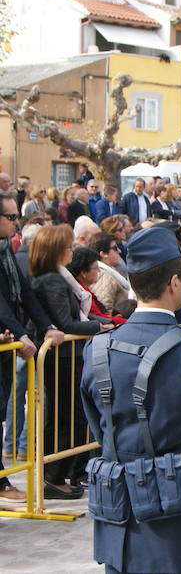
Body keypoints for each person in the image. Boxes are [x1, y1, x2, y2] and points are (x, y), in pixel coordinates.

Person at [79, 226, 181, 573]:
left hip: (119, 511)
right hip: (177, 508)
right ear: (174, 283)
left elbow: (99, 428)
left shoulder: (97, 350)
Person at [31, 224, 113, 499]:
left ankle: (58, 475)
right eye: (67, 247)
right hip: (62, 358)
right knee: (67, 417)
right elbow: (66, 322)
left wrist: (103, 323)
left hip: (69, 355)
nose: (71, 251)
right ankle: (54, 477)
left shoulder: (58, 277)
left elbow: (77, 317)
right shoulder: (52, 280)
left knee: (69, 416)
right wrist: (98, 328)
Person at [0, 196, 63, 501]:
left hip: (9, 336)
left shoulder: (5, 250)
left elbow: (23, 293)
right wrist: (24, 335)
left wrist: (47, 326)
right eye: (12, 218)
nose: (17, 223)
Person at [68, 247, 127, 326]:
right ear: (83, 273)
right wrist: (125, 322)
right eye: (95, 268)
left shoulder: (83, 288)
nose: (99, 271)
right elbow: (98, 317)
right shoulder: (80, 293)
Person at [90, 233, 132, 318]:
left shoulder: (110, 270)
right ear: (103, 254)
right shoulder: (104, 276)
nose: (119, 251)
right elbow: (105, 309)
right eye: (115, 248)